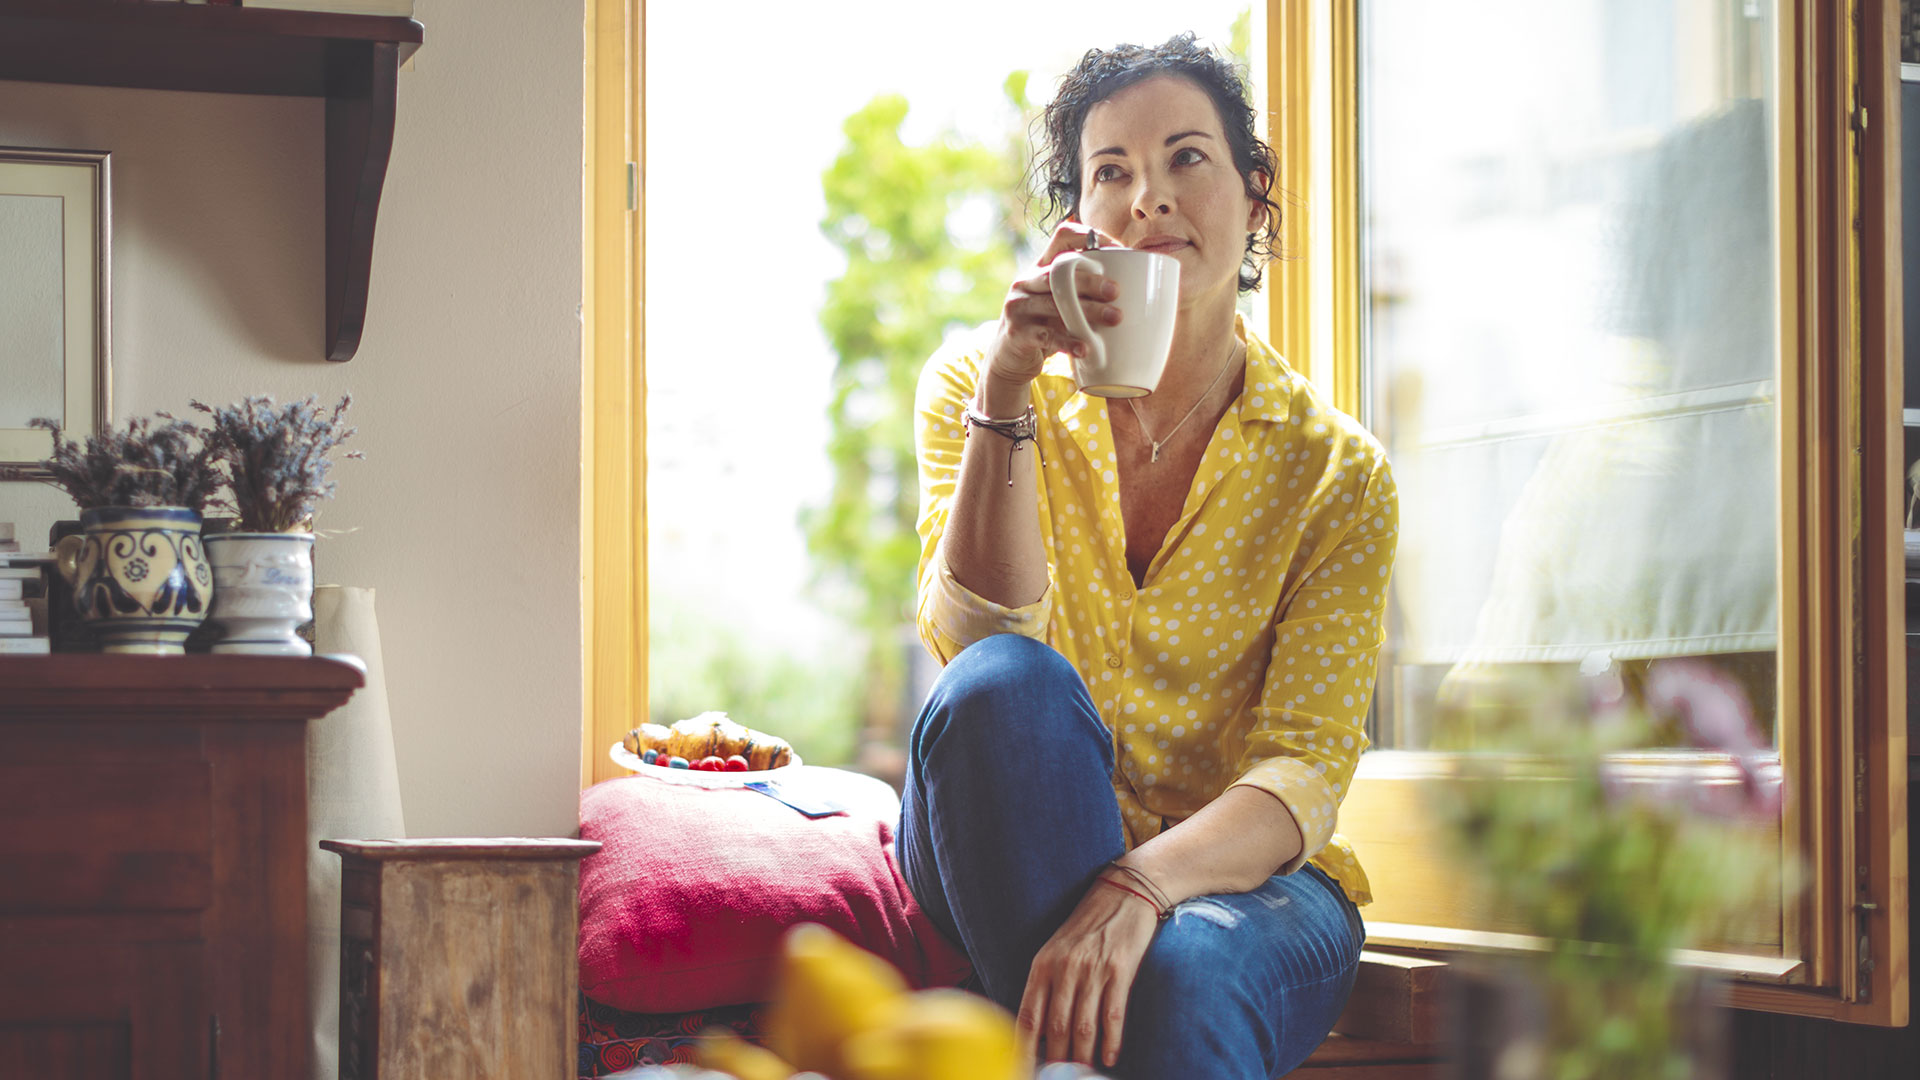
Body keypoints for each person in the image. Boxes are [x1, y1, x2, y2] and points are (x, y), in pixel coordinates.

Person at [897, 34, 1399, 1079]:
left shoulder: (1338, 476)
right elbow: (978, 649)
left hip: (1247, 883)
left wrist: (1140, 886)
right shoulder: (975, 386)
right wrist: (1006, 397)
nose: (1148, 199)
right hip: (1007, 825)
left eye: (1186, 159)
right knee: (1002, 685)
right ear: (1078, 220)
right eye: (1111, 173)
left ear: (1256, 199)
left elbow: (1302, 771)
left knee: (1183, 971)